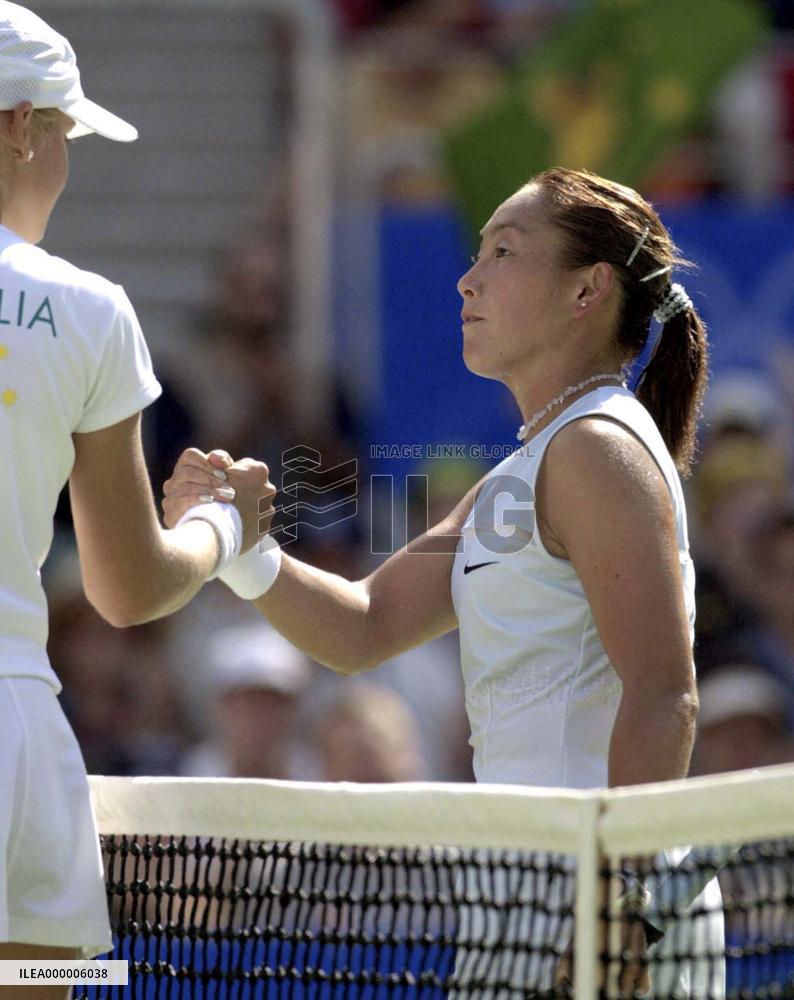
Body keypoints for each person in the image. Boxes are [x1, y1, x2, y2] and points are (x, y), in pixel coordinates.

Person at [163, 167, 722, 996]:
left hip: (600, 898)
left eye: (504, 251)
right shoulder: (526, 470)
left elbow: (662, 690)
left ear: (587, 290)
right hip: (525, 895)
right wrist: (246, 549)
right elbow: (363, 626)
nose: (469, 276)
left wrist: (618, 902)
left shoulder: (598, 449)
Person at [0, 2, 269, 987]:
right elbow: (129, 588)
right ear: (21, 125)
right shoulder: (85, 311)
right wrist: (220, 528)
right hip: (12, 740)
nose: (66, 167)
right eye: (64, 134)